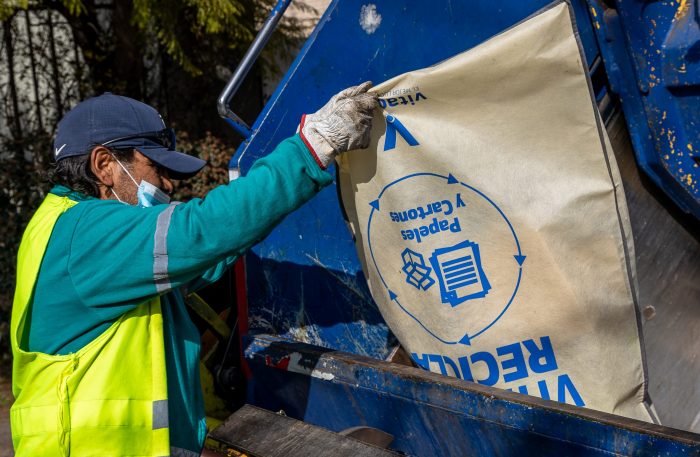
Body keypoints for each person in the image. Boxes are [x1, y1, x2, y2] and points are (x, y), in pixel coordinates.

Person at [10, 83, 377, 456]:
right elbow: (202, 232)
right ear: (104, 165)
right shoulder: (87, 232)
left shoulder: (64, 228)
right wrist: (311, 148)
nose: (168, 184)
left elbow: (205, 255)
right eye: (156, 167)